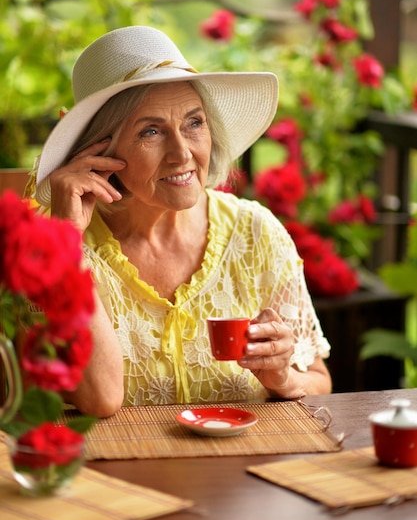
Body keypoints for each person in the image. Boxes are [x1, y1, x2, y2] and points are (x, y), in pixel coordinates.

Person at [31, 25, 332, 417]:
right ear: (97, 148)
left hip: (240, 476)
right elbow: (100, 398)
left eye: (194, 123)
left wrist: (283, 379)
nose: (182, 154)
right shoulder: (49, 249)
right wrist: (67, 243)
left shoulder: (256, 233)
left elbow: (319, 381)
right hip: (111, 476)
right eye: (151, 131)